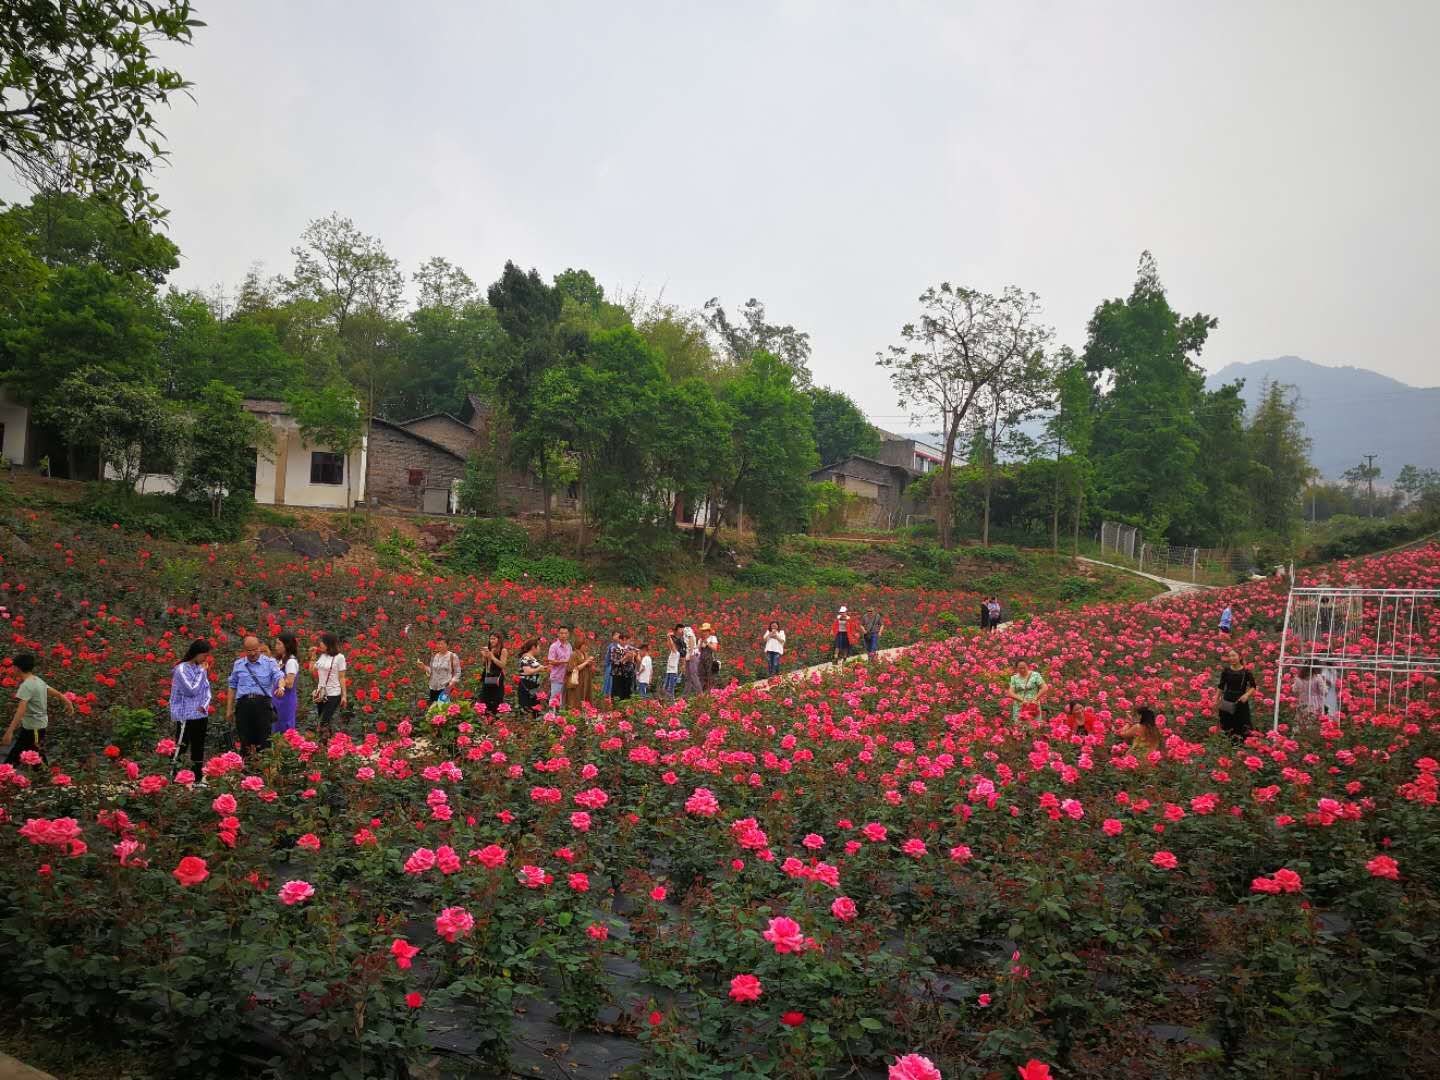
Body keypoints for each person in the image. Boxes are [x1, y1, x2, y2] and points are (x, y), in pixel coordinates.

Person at [5, 652, 75, 766]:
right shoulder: (37, 680)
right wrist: (67, 701)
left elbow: (21, 710)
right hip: (33, 726)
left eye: (13, 667)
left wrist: (10, 731)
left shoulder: (26, 685)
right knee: (25, 754)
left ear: (17, 668)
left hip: (34, 728)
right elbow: (53, 691)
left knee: (35, 757)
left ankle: (44, 777)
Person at [227, 635, 283, 754]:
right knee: (245, 740)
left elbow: (279, 676)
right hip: (243, 706)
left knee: (264, 741)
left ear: (260, 647)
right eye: (249, 650)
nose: (252, 653)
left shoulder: (269, 663)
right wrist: (229, 710)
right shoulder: (238, 664)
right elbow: (232, 687)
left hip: (262, 706)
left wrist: (281, 687)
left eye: (255, 649)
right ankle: (246, 770)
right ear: (244, 650)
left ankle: (264, 771)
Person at [169, 639, 213, 774]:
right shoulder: (181, 669)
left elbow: (207, 690)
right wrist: (202, 672)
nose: (206, 659)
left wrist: (204, 705)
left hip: (200, 714)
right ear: (196, 653)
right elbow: (191, 690)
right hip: (185, 714)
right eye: (204, 655)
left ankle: (197, 776)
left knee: (198, 746)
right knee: (182, 745)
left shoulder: (199, 668)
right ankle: (174, 774)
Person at [1215, 648, 1257, 741]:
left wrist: (1246, 695)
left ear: (1240, 657)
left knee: (1241, 723)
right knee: (1226, 723)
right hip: (1227, 700)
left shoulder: (1246, 672)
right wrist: (1216, 699)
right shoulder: (1226, 671)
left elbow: (1253, 686)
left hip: (1240, 701)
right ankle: (1227, 744)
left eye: (1234, 655)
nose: (1232, 658)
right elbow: (1221, 686)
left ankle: (1242, 745)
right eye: (1230, 656)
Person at [310, 632, 348, 729]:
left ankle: (325, 742)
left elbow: (342, 677)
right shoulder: (323, 656)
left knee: (324, 721)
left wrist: (344, 696)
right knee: (322, 720)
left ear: (329, 643)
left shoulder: (339, 657)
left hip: (333, 694)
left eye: (322, 642)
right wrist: (313, 656)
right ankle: (327, 742)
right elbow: (312, 670)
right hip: (321, 693)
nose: (320, 644)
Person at [417, 635, 462, 704]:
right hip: (433, 687)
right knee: (435, 710)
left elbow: (457, 673)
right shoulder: (435, 656)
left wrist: (451, 684)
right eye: (438, 644)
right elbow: (432, 672)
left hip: (445, 688)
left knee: (443, 709)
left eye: (441, 644)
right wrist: (424, 667)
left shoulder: (452, 656)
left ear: (447, 645)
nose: (439, 646)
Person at [271, 634, 300, 735]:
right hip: (278, 700)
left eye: (279, 644)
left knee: (284, 727)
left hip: (285, 700)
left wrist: (281, 683)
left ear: (287, 645)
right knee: (276, 726)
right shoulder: (280, 660)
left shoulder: (291, 661)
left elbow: (290, 683)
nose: (276, 647)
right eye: (276, 644)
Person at [1007, 659, 1047, 723]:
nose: (1022, 670)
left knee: (1034, 726)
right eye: (1020, 668)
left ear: (1027, 666)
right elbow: (1010, 693)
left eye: (1024, 668)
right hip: (1020, 706)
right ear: (1016, 668)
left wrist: (1035, 699)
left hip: (1033, 705)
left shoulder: (1035, 675)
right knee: (1020, 728)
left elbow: (1044, 688)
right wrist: (1022, 700)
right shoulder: (1014, 678)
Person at [564, 631, 595, 710]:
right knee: (575, 698)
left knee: (584, 697)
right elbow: (573, 668)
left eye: (587, 645)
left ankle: (584, 712)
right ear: (579, 645)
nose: (586, 647)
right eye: (585, 645)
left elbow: (587, 666)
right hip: (576, 680)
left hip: (585, 680)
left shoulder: (585, 654)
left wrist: (590, 663)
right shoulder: (574, 654)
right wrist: (586, 662)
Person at [478, 632, 507, 713]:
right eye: (490, 639)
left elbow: (503, 665)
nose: (492, 641)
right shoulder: (489, 649)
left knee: (496, 699)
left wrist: (492, 657)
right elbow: (485, 665)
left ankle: (495, 719)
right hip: (488, 676)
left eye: (494, 639)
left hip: (496, 677)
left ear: (499, 639)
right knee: (484, 698)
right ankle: (486, 718)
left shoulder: (503, 650)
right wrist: (484, 656)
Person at [516, 639, 545, 713]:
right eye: (538, 646)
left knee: (535, 709)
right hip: (527, 686)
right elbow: (527, 671)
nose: (539, 648)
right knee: (527, 709)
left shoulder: (531, 657)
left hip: (533, 687)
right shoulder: (526, 657)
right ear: (533, 647)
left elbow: (534, 669)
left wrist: (544, 668)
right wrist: (539, 668)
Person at [547, 627, 573, 707]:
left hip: (567, 677)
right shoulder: (554, 646)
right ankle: (551, 717)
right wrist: (564, 661)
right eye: (561, 633)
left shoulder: (569, 646)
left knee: (564, 700)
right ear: (558, 634)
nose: (563, 635)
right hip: (557, 677)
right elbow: (551, 661)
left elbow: (571, 659)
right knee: (554, 699)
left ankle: (560, 718)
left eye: (565, 633)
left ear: (568, 634)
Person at [611, 631, 636, 701]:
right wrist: (625, 657)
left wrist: (632, 658)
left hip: (628, 675)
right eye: (626, 640)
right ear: (621, 640)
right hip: (618, 674)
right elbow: (615, 663)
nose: (627, 642)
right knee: (617, 694)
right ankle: (615, 709)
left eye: (628, 640)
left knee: (627, 693)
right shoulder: (615, 649)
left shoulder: (630, 649)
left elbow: (634, 662)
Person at [664, 625, 684, 701]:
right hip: (669, 672)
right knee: (666, 688)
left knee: (670, 689)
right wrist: (669, 638)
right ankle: (667, 701)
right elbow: (670, 645)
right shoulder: (673, 652)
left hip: (672, 673)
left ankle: (671, 702)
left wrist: (669, 637)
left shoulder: (676, 653)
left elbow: (671, 645)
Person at [601, 630, 621, 701]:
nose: (618, 636)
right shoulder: (611, 646)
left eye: (619, 635)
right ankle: (608, 699)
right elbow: (610, 658)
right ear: (612, 637)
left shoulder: (620, 646)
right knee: (609, 684)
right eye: (616, 635)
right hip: (611, 667)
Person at [682, 633, 704, 698]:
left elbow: (691, 637)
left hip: (694, 656)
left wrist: (691, 653)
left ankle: (700, 693)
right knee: (688, 677)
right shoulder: (699, 640)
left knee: (693, 675)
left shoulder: (687, 630)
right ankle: (684, 696)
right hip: (689, 656)